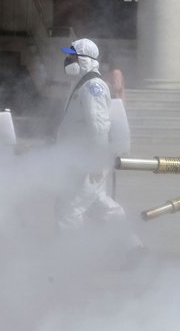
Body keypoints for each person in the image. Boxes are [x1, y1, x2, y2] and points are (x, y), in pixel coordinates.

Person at [55, 38, 128, 231]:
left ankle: (73, 256)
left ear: (85, 60)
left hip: (89, 159)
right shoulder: (82, 85)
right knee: (100, 206)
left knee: (69, 208)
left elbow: (99, 126)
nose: (68, 62)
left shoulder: (92, 87)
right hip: (82, 159)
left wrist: (96, 160)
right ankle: (130, 246)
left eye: (73, 57)